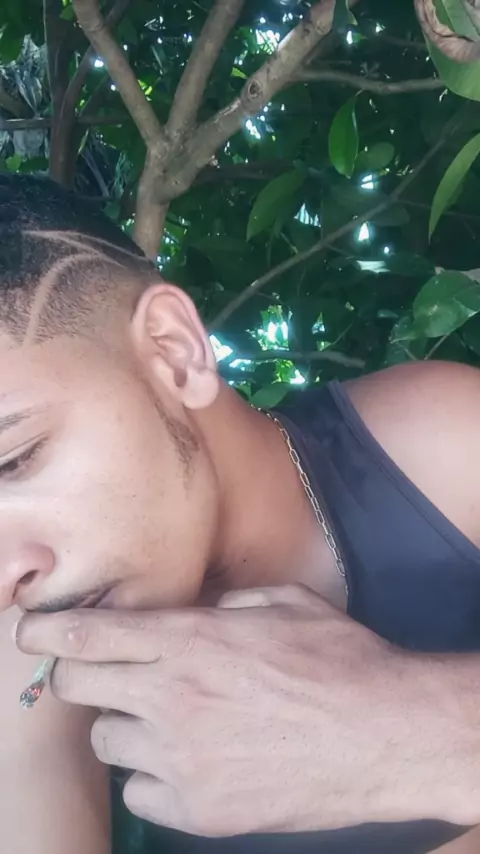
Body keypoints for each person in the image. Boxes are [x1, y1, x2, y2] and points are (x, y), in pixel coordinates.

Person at [2, 172, 480, 854]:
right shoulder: (35, 652)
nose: (6, 580)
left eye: (15, 461)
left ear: (174, 352)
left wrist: (397, 729)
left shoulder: (441, 449)